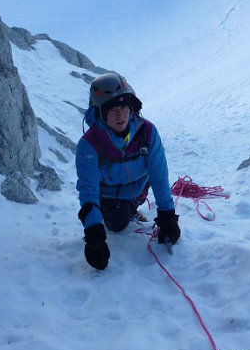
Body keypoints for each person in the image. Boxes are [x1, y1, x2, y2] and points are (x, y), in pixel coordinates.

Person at [76, 72, 180, 270]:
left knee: (143, 192)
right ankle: (124, 211)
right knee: (116, 225)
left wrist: (167, 217)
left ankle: (133, 205)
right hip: (109, 196)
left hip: (141, 187)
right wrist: (94, 236)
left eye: (124, 107)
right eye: (112, 109)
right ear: (100, 111)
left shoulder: (147, 132)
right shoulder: (89, 145)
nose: (120, 114)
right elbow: (88, 191)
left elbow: (159, 176)